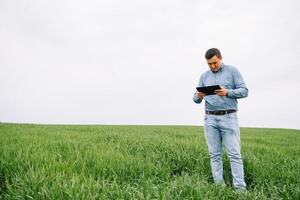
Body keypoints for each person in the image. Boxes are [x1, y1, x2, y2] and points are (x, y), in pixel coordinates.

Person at [193, 48, 248, 191]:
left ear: (221, 58)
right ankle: (219, 187)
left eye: (215, 63)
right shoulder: (204, 76)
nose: (212, 66)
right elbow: (195, 99)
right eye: (209, 64)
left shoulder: (233, 71)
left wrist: (227, 92)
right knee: (214, 155)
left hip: (229, 117)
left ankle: (240, 189)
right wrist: (198, 96)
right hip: (210, 119)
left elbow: (244, 91)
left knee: (234, 154)